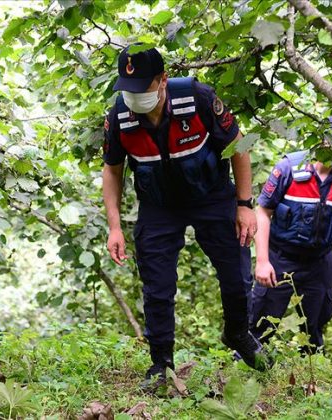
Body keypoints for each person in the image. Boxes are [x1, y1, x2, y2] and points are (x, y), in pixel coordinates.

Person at [102, 46, 266, 387]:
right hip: (158, 207)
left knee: (236, 275)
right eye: (127, 89)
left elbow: (239, 145)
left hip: (212, 197)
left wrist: (244, 204)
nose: (133, 97)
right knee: (157, 287)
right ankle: (161, 364)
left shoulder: (198, 98)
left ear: (163, 80)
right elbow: (112, 170)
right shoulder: (120, 116)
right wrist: (114, 226)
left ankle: (238, 333)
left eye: (141, 88)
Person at [250, 116, 332, 353]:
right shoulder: (289, 168)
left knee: (316, 323)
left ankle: (311, 377)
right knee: (261, 321)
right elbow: (262, 212)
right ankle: (246, 367)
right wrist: (262, 261)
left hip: (320, 261)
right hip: (281, 257)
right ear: (323, 142)